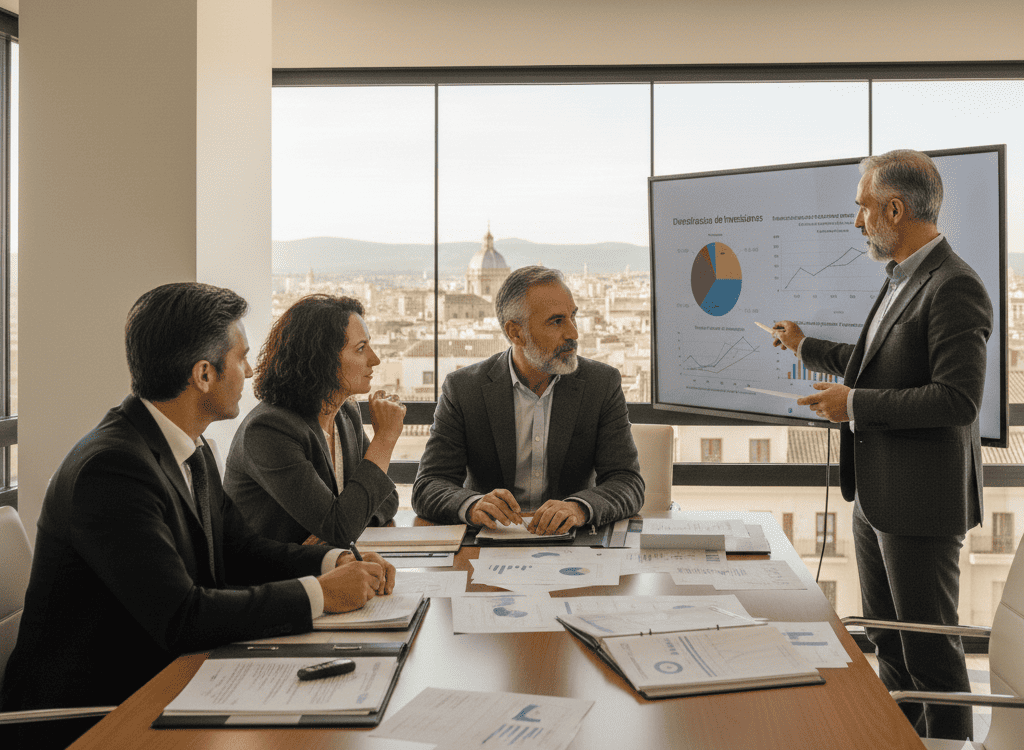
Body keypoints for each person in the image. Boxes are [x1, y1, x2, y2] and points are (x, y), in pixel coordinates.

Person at [0, 283, 396, 750]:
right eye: (242, 358)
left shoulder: (190, 446)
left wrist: (331, 564)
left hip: (170, 679)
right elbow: (181, 616)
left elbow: (239, 549)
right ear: (204, 374)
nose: (251, 372)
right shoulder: (112, 469)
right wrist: (319, 595)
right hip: (94, 714)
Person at [772, 149, 992, 741]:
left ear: (894, 208)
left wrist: (856, 406)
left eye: (863, 208)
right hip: (876, 496)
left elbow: (957, 400)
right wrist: (805, 345)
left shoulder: (954, 286)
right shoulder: (901, 277)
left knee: (930, 655)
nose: (857, 222)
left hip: (919, 503)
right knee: (891, 645)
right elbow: (873, 364)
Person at [412, 265, 644, 535]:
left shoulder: (600, 384)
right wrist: (473, 504)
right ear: (515, 333)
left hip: (573, 542)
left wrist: (579, 508)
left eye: (573, 317)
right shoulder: (465, 389)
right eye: (556, 321)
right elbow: (429, 485)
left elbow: (627, 481)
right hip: (491, 542)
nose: (573, 333)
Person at [224, 294, 403, 547]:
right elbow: (341, 527)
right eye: (361, 349)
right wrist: (384, 439)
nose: (375, 359)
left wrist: (346, 527)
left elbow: (387, 499)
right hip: (276, 579)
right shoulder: (270, 430)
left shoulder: (345, 413)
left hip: (325, 568)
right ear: (323, 359)